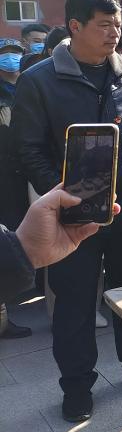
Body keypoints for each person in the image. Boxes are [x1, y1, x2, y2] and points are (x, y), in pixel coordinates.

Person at [13, 0, 122, 422]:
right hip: (71, 214)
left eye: (118, 24)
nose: (115, 32)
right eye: (104, 25)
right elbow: (28, 149)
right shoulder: (40, 80)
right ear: (75, 26)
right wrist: (61, 194)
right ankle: (77, 386)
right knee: (76, 300)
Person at [1, 186, 119, 302]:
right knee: (72, 294)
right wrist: (26, 248)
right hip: (64, 217)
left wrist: (26, 249)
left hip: (112, 223)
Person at [0, 38, 31, 339]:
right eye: (4, 54)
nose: (10, 59)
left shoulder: (28, 85)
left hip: (23, 172)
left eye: (15, 53)